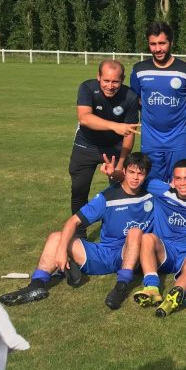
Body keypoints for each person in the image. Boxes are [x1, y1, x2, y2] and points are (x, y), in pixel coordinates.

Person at [0, 153, 154, 310]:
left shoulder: (152, 193)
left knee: (135, 232)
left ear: (146, 175)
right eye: (131, 172)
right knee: (56, 238)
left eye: (140, 173)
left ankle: (121, 287)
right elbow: (73, 221)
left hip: (128, 253)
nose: (135, 178)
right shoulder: (107, 196)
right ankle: (37, 284)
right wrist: (61, 251)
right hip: (104, 252)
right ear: (124, 172)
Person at [132, 160, 186, 318]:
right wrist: (114, 172)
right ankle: (152, 288)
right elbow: (132, 179)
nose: (182, 183)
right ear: (172, 181)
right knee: (147, 238)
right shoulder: (163, 191)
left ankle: (175, 296)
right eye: (178, 179)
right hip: (165, 250)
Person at [69, 60, 140, 238]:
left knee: (120, 188)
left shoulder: (130, 97)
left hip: (115, 148)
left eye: (115, 81)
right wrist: (114, 126)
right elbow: (84, 118)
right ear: (98, 77)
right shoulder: (87, 88)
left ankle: (117, 232)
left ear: (122, 80)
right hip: (86, 145)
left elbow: (129, 133)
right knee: (79, 189)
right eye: (106, 81)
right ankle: (79, 234)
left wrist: (120, 164)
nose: (110, 86)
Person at [130, 21, 186, 182]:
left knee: (183, 185)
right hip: (151, 141)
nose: (157, 49)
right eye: (153, 44)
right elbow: (137, 100)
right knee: (152, 186)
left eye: (162, 43)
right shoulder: (139, 70)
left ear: (171, 43)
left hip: (180, 140)